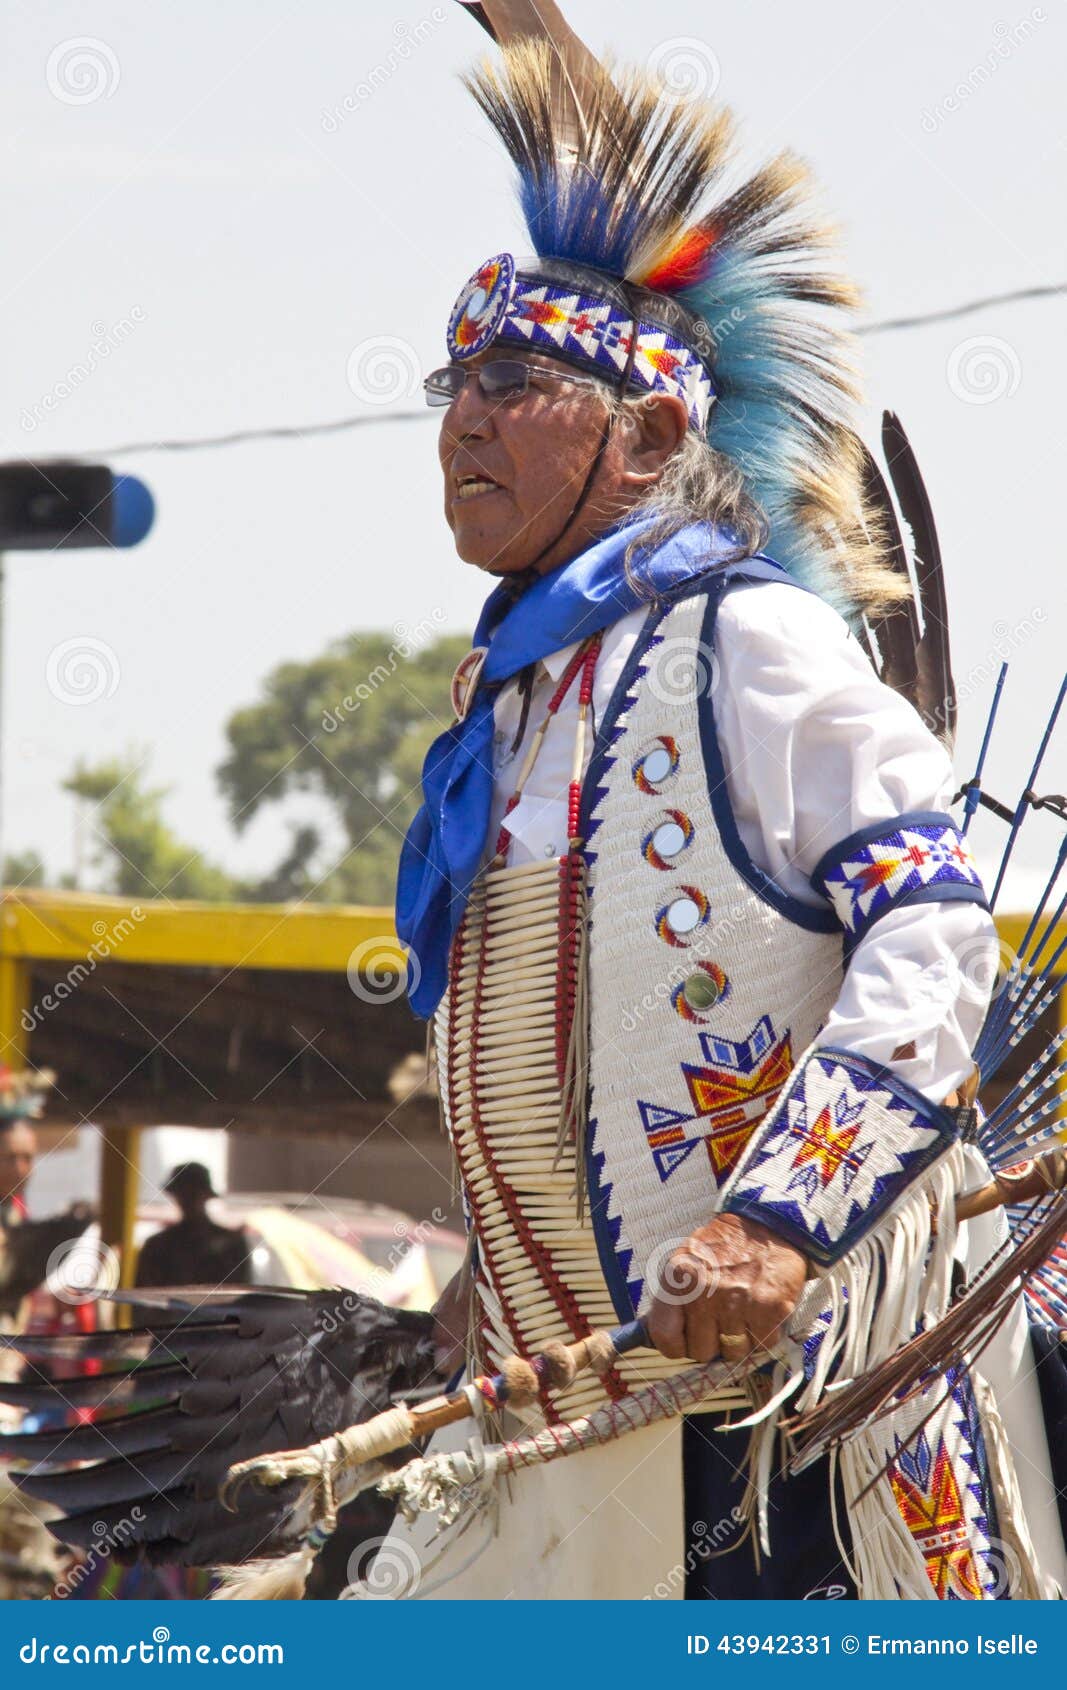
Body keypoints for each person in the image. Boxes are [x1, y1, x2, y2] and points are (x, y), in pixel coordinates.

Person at [382, 1, 1066, 1600]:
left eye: (515, 379)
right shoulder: (521, 701)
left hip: (808, 1426)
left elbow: (931, 926)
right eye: (449, 381)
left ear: (653, 433)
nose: (462, 419)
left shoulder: (739, 638)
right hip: (592, 1422)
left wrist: (777, 1224)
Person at [134, 1163, 252, 1290]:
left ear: (205, 1195)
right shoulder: (158, 1245)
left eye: (193, 1193)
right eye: (184, 1193)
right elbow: (146, 1295)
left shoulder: (231, 1244)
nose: (188, 1199)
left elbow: (238, 1294)